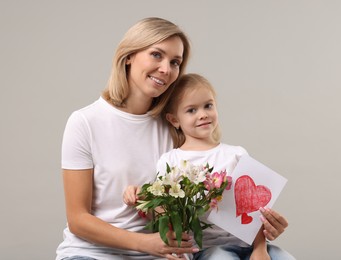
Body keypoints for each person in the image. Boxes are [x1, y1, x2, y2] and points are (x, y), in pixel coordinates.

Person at [56, 17, 199, 260]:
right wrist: (145, 244)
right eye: (156, 54)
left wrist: (259, 229)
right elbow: (78, 219)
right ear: (129, 56)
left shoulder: (173, 127)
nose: (166, 69)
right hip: (91, 253)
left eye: (175, 62)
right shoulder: (85, 122)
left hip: (159, 254)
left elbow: (189, 203)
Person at [123, 73, 295, 260]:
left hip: (250, 245)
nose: (203, 114)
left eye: (208, 106)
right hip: (209, 249)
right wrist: (143, 197)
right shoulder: (171, 161)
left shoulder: (236, 154)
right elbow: (168, 213)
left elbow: (256, 210)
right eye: (191, 110)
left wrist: (260, 250)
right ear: (174, 120)